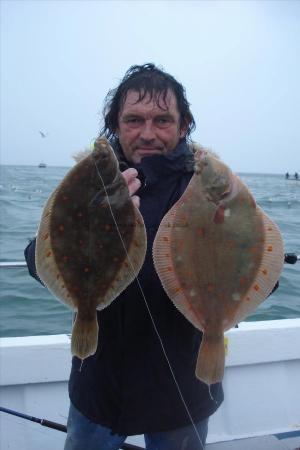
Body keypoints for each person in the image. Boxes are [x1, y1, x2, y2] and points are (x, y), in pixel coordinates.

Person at [24, 63, 224, 450]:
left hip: (182, 388)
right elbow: (37, 260)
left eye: (162, 120)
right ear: (116, 125)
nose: (147, 133)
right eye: (133, 119)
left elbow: (258, 274)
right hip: (98, 385)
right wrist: (88, 228)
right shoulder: (87, 182)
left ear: (184, 126)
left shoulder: (210, 188)